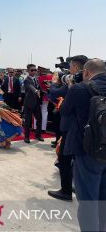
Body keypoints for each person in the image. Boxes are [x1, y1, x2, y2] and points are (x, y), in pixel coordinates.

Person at [60, 59, 106, 231]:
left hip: (87, 151)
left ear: (86, 72)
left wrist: (71, 86)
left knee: (88, 202)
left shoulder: (80, 88)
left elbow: (64, 111)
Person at [48, 55, 88, 201]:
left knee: (64, 158)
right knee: (79, 160)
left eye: (70, 66)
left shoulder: (75, 83)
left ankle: (65, 191)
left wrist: (53, 82)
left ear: (76, 68)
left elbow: (55, 94)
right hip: (87, 128)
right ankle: (75, 186)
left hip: (71, 127)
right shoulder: (91, 82)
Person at [23, 64, 43, 143]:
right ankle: (26, 137)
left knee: (39, 119)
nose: (34, 71)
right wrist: (35, 91)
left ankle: (38, 135)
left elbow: (40, 89)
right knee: (28, 121)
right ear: (28, 71)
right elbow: (30, 87)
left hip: (36, 103)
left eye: (35, 70)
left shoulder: (37, 79)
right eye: (32, 70)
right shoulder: (26, 80)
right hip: (29, 103)